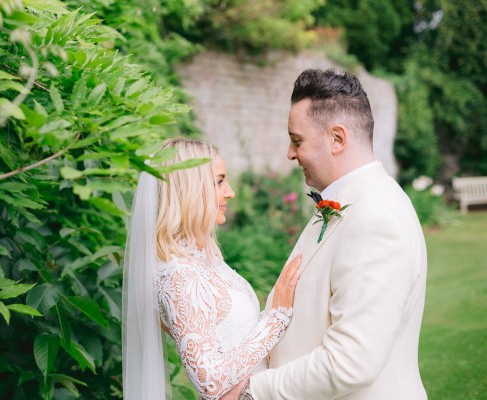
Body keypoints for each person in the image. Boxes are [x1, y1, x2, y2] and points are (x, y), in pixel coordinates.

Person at [229, 68, 428, 400]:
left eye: (297, 141)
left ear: (337, 138)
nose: (290, 154)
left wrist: (251, 390)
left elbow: (350, 362)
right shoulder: (343, 204)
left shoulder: (376, 219)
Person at [122, 138, 302, 399]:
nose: (230, 192)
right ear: (188, 190)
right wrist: (276, 319)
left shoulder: (204, 258)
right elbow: (210, 380)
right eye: (219, 181)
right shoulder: (177, 274)